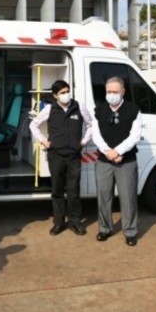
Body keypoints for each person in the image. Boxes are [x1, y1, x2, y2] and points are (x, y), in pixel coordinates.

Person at [29, 79, 92, 236]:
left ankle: (75, 222)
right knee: (57, 190)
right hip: (55, 156)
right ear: (55, 95)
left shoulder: (79, 107)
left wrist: (84, 141)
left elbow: (91, 125)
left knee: (73, 190)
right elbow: (33, 125)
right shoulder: (50, 108)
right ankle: (58, 223)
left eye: (67, 91)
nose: (66, 95)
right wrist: (44, 141)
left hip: (73, 156)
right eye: (62, 93)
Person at [92, 77, 142, 246]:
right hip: (104, 161)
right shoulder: (99, 109)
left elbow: (135, 136)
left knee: (128, 197)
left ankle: (130, 231)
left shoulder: (134, 110)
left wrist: (118, 151)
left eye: (115, 91)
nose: (111, 94)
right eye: (108, 91)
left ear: (123, 92)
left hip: (126, 161)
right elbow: (95, 134)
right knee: (103, 196)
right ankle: (104, 229)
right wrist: (108, 152)